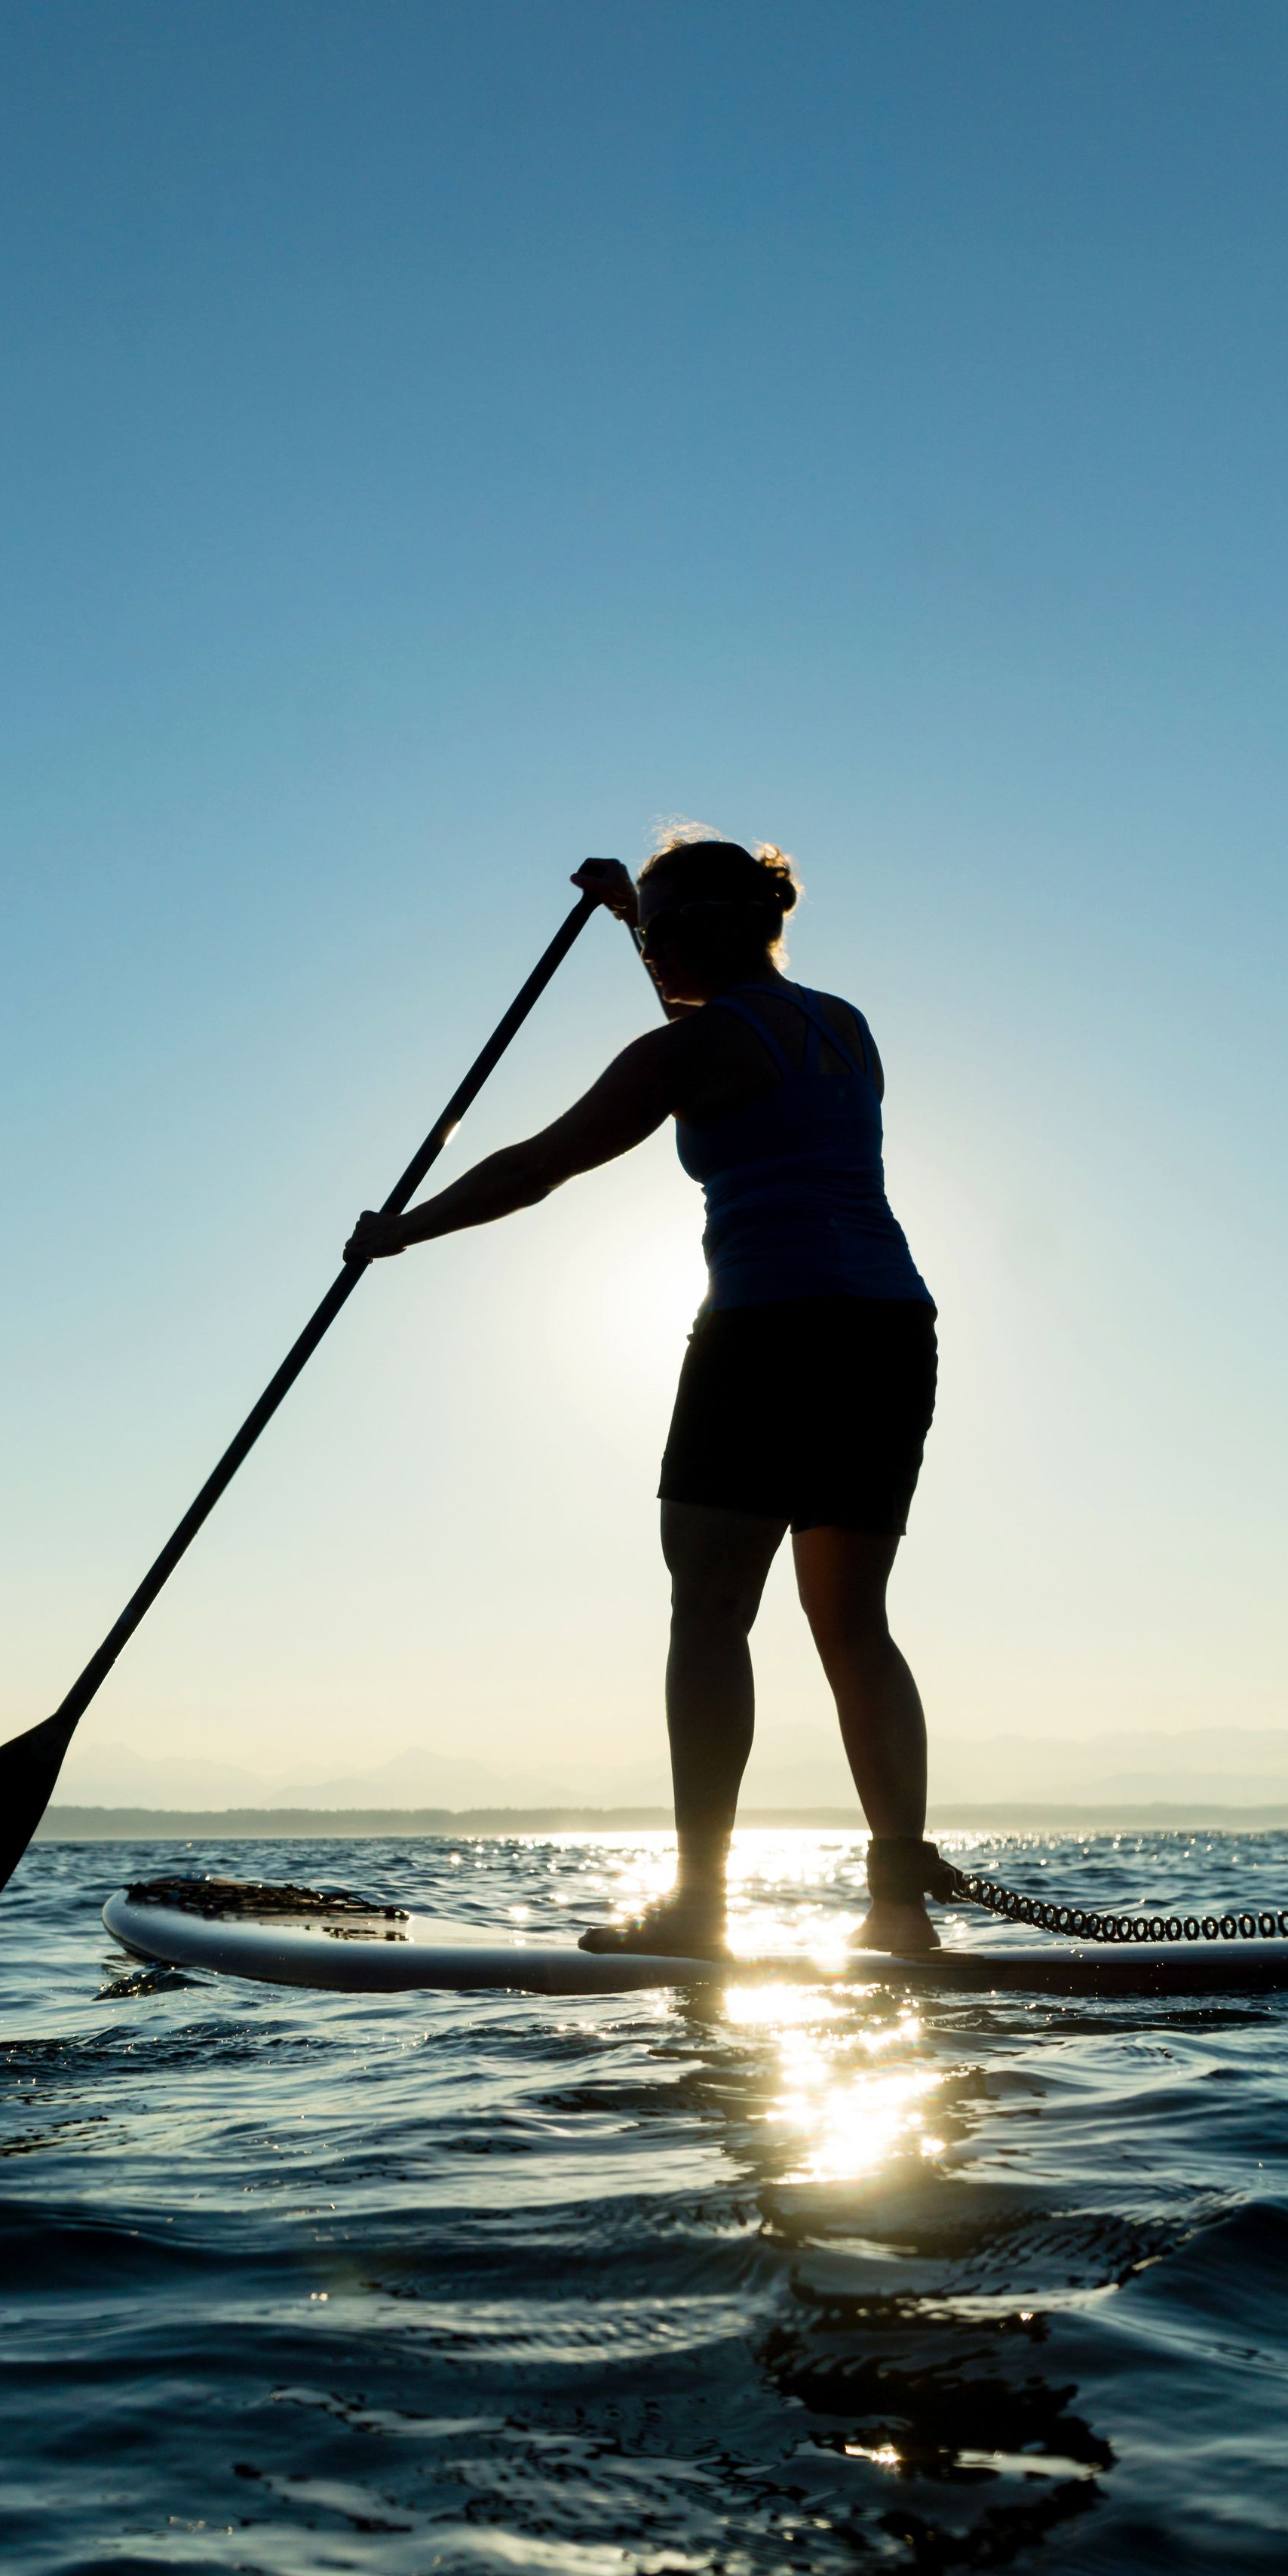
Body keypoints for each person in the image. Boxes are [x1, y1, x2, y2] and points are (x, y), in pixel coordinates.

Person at [345, 832, 941, 1957]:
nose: (653, 950)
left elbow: (539, 1164)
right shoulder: (842, 1025)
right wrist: (632, 920)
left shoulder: (691, 1049)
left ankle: (701, 1909)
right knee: (853, 1623)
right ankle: (900, 1909)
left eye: (667, 929)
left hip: (767, 1334)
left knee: (711, 1610)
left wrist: (402, 1234)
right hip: (888, 1332)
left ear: (721, 922)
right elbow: (716, 1025)